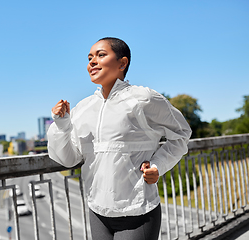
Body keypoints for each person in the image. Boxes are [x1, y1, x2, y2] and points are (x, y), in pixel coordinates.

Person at [47, 37, 192, 240]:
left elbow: (181, 134)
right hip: (97, 210)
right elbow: (69, 159)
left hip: (137, 211)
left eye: (101, 55)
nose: (92, 62)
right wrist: (62, 125)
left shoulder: (144, 99)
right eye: (89, 58)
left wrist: (159, 166)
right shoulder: (83, 108)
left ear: (122, 63)